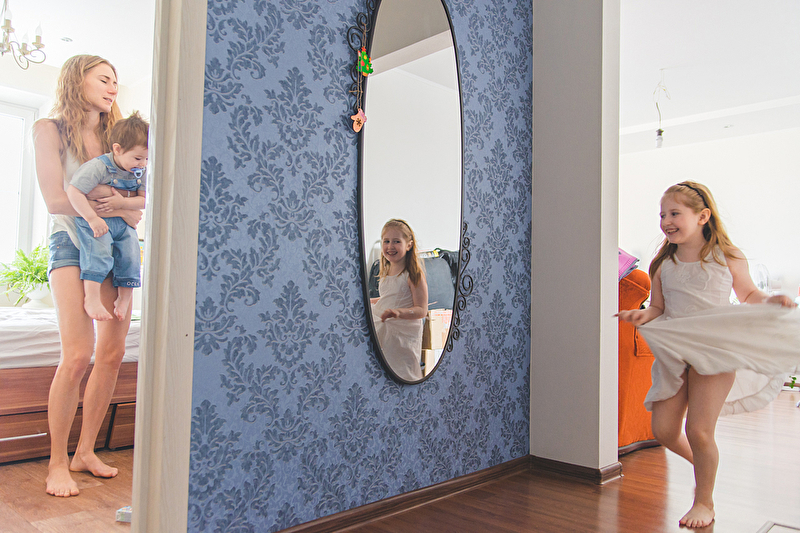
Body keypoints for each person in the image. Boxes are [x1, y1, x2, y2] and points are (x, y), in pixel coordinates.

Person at [617, 181, 800, 528]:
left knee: (699, 431)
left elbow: (748, 294)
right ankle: (704, 464)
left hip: (714, 352)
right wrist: (641, 315)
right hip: (675, 354)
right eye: (662, 215)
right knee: (664, 430)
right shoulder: (662, 264)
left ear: (702, 216)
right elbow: (658, 307)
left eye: (674, 214)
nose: (666, 221)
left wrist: (770, 300)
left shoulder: (726, 256)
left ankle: (704, 501)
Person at [33, 55, 143, 497]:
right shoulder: (49, 130)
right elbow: (56, 200)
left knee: (112, 354)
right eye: (104, 79)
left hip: (117, 246)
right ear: (77, 80)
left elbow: (139, 205)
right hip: (70, 244)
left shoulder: (121, 138)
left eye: (116, 80)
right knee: (78, 355)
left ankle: (85, 452)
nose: (113, 87)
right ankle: (57, 462)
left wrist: (111, 201)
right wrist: (115, 200)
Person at [68, 112, 148, 321]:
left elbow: (146, 200)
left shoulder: (142, 171)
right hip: (97, 220)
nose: (142, 164)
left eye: (147, 158)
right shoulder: (98, 167)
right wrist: (91, 218)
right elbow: (74, 192)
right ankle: (92, 298)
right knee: (98, 253)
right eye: (138, 158)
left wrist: (122, 204)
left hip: (123, 224)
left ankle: (124, 298)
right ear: (117, 149)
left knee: (132, 255)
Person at [370, 219, 429, 381]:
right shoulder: (386, 270)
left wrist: (397, 313)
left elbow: (421, 309)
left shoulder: (413, 274)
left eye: (396, 241)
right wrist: (371, 302)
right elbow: (390, 297)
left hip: (403, 332)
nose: (390, 246)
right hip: (386, 325)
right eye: (386, 241)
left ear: (408, 245)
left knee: (403, 370)